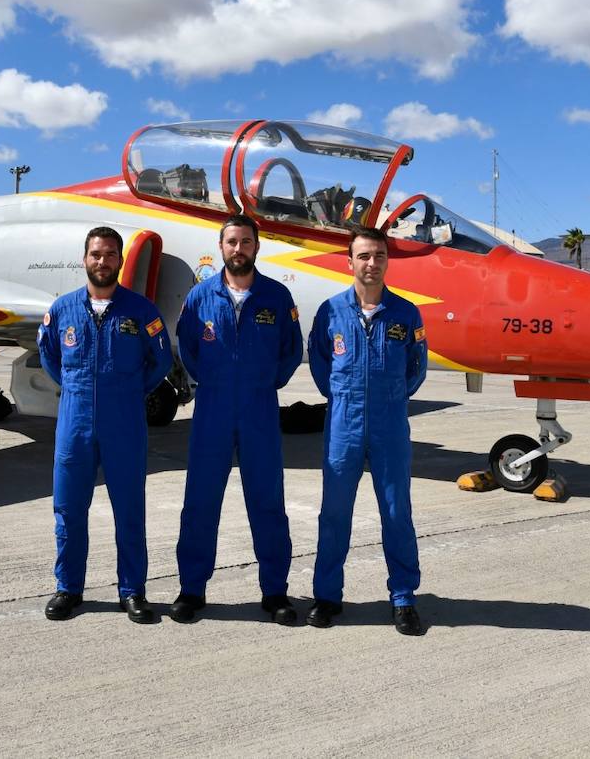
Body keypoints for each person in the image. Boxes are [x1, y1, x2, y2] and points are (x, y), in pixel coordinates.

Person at [172, 214, 304, 624]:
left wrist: (265, 383)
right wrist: (210, 380)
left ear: (256, 247)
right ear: (222, 246)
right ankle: (192, 589)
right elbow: (188, 347)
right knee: (200, 502)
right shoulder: (199, 297)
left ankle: (275, 591)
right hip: (212, 409)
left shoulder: (278, 298)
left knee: (267, 501)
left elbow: (290, 350)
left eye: (246, 242)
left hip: (259, 409)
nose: (238, 249)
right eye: (231, 242)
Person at [38, 226, 172, 623]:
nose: (102, 261)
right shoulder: (62, 310)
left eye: (111, 254)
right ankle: (69, 588)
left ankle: (132, 591)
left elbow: (161, 360)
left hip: (125, 424)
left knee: (129, 510)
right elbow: (49, 357)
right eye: (96, 254)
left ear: (120, 261)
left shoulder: (142, 311)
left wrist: (129, 391)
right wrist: (78, 388)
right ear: (85, 259)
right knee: (68, 509)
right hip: (74, 424)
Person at [307, 227, 428, 636]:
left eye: (378, 256)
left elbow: (417, 366)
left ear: (386, 261)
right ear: (350, 261)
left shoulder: (406, 313)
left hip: (390, 425)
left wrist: (391, 397)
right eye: (364, 256)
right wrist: (344, 397)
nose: (371, 264)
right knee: (334, 513)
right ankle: (327, 596)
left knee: (396, 512)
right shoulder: (331, 311)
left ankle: (404, 597)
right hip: (344, 424)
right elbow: (321, 362)